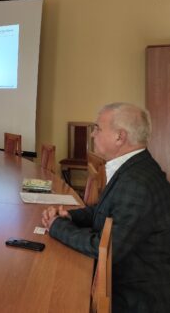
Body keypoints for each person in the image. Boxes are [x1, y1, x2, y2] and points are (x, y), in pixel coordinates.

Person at [42, 102, 170, 312]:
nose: (92, 134)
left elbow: (106, 249)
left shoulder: (137, 183)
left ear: (120, 136)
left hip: (134, 297)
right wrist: (70, 216)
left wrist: (57, 226)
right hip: (124, 279)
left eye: (98, 128)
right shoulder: (135, 167)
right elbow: (104, 211)